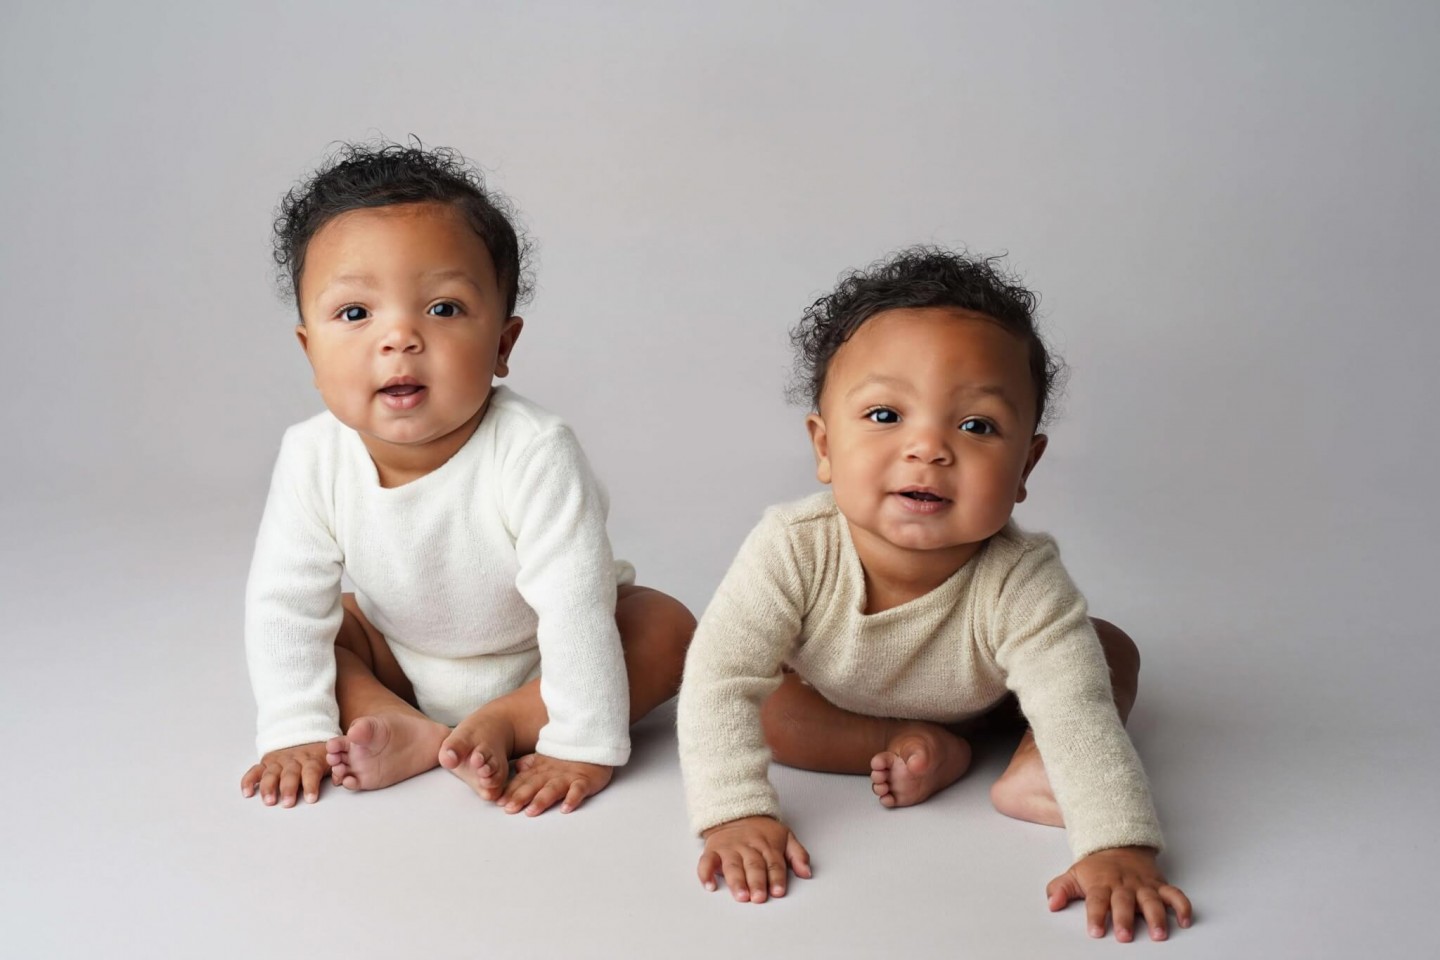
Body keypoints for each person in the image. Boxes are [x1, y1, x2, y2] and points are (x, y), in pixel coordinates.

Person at [677, 248, 1192, 941]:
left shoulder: (1022, 578)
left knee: (1105, 655)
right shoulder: (792, 547)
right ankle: (910, 744)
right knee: (765, 707)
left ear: (1024, 467)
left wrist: (1116, 845)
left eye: (976, 426)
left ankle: (1031, 764)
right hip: (839, 701)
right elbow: (720, 677)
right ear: (823, 445)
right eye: (886, 415)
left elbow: (1076, 712)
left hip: (989, 698)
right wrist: (735, 812)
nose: (928, 448)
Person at [239, 142, 693, 817]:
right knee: (326, 627)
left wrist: (583, 743)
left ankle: (508, 722)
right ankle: (400, 723)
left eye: (443, 309)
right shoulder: (311, 453)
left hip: (542, 659)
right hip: (404, 650)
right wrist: (297, 729)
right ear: (310, 349)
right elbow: (283, 603)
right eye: (356, 314)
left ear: (503, 345)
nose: (399, 338)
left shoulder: (536, 450)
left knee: (664, 626)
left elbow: (573, 609)